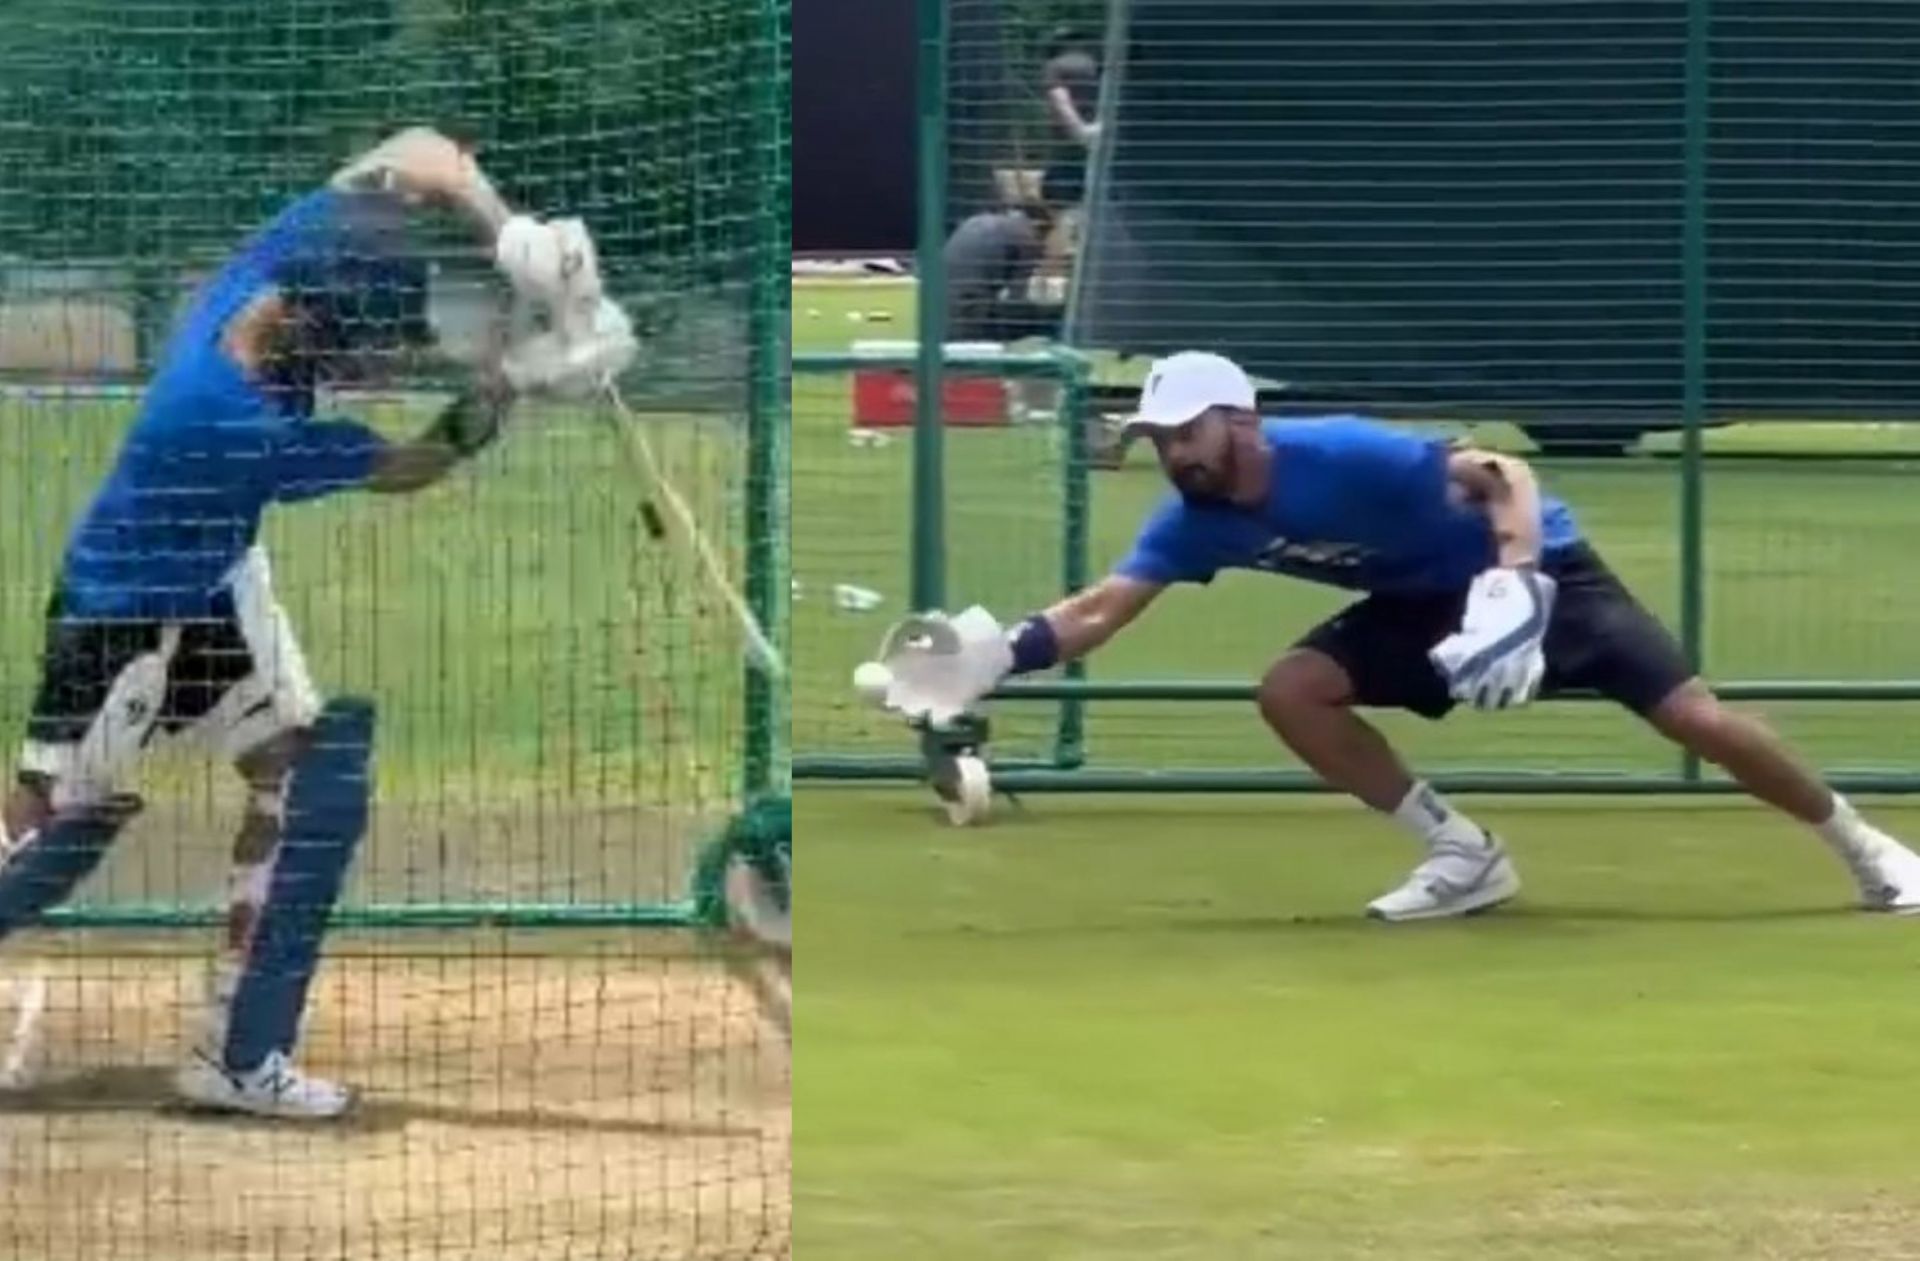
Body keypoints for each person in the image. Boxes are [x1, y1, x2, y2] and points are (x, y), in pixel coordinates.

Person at [0, 126, 632, 1117]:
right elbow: (414, 467)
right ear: (309, 326)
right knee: (48, 830)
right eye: (357, 346)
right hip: (121, 616)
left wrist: (514, 234)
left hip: (211, 584)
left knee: (304, 778)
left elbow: (421, 149)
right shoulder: (240, 426)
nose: (368, 364)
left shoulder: (288, 251)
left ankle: (237, 1054)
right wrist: (513, 381)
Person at [869, 350, 1920, 922]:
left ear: (1239, 420)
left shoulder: (1342, 451)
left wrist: (1515, 582)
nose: (1171, 452)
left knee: (1700, 719)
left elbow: (1503, 473)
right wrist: (995, 655)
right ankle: (1464, 855)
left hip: (1541, 575)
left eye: (1184, 432)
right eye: (1157, 438)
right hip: (1418, 608)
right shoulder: (1194, 517)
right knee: (1292, 687)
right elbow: (1104, 606)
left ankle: (1870, 853)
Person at [942, 202, 1059, 343]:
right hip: (969, 310)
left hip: (936, 304)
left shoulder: (978, 220)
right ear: (1040, 227)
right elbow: (1016, 299)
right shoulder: (1026, 237)